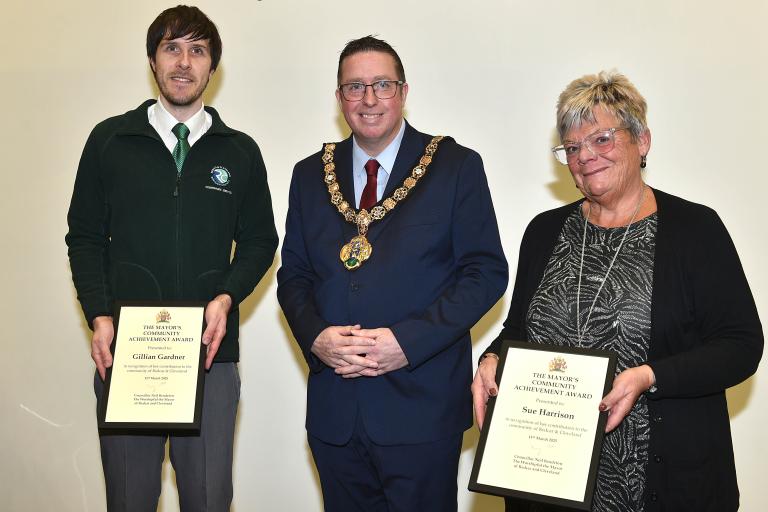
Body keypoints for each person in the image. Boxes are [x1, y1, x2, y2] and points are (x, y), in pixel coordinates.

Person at [472, 70, 763, 512]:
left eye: (602, 139)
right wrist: (493, 358)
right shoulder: (545, 231)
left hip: (662, 482)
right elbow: (519, 329)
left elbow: (741, 345)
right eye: (572, 147)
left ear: (641, 140)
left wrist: (651, 376)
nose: (585, 155)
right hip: (549, 481)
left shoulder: (696, 229)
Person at [277, 35, 508, 511]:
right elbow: (293, 277)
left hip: (421, 407)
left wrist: (408, 342)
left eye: (382, 85)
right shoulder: (308, 174)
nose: (369, 99)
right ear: (339, 98)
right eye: (354, 87)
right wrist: (316, 337)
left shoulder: (455, 166)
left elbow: (485, 273)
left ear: (403, 91)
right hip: (335, 412)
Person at [65, 6, 278, 511]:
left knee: (207, 500)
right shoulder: (109, 141)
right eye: (172, 48)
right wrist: (98, 313)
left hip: (209, 357)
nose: (184, 62)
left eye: (198, 51)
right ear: (152, 60)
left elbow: (260, 241)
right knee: (129, 499)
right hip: (127, 354)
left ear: (212, 67)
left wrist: (227, 297)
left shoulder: (240, 152)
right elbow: (85, 237)